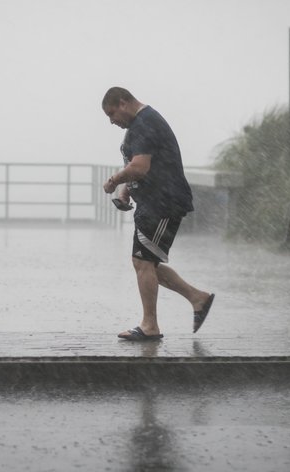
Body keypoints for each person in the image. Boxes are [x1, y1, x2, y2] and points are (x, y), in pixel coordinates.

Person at [101, 87, 214, 341]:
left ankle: (150, 326)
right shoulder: (140, 126)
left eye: (111, 114)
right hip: (154, 202)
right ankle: (198, 299)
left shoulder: (145, 123)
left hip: (162, 203)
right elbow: (143, 169)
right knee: (147, 263)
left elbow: (139, 167)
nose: (111, 121)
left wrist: (113, 180)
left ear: (123, 103)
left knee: (143, 262)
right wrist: (125, 190)